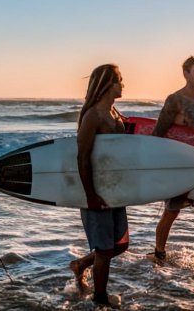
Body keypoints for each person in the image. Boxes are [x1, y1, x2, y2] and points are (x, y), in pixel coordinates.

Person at [148, 56, 194, 266]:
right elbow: (158, 133)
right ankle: (159, 254)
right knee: (171, 212)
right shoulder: (175, 100)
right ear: (186, 74)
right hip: (178, 165)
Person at [70, 64, 128, 307]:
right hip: (98, 192)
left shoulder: (114, 112)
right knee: (104, 250)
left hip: (115, 190)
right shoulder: (93, 116)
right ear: (107, 85)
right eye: (119, 81)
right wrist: (90, 195)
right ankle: (100, 299)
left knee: (120, 245)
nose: (123, 85)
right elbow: (82, 157)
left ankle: (81, 264)